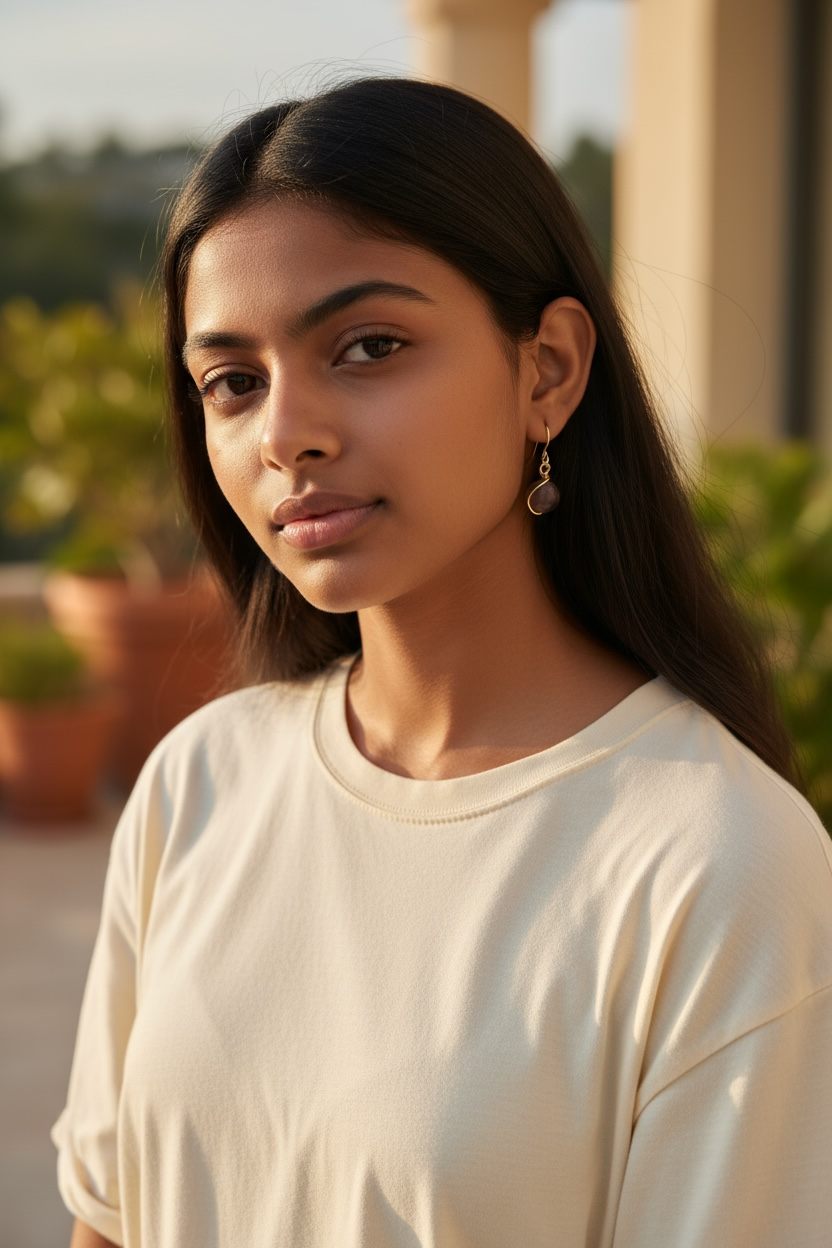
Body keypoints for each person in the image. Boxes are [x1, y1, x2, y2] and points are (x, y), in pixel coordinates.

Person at [54, 78, 832, 1248]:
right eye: (231, 381)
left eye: (368, 346)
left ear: (549, 371)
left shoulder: (715, 862)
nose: (286, 434)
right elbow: (108, 1224)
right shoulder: (199, 784)